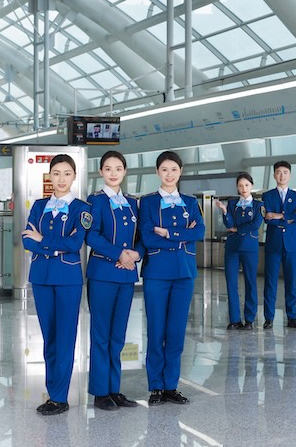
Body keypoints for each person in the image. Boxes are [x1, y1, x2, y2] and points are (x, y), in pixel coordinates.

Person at [21, 154, 92, 415]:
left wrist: (43, 240)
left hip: (67, 279)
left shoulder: (82, 209)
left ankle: (60, 397)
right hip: (41, 278)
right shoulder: (39, 205)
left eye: (67, 174)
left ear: (74, 176)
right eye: (56, 173)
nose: (61, 179)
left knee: (65, 337)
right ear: (49, 176)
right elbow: (26, 239)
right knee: (49, 336)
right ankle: (53, 393)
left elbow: (75, 243)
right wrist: (52, 245)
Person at [139, 151, 205, 405]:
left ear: (180, 172)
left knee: (176, 331)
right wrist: (182, 235)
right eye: (164, 170)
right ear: (157, 172)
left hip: (184, 273)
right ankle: (155, 386)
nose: (169, 174)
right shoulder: (148, 202)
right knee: (156, 330)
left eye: (174, 170)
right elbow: (147, 237)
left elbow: (199, 231)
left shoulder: (190, 202)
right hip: (156, 273)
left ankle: (171, 385)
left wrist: (168, 233)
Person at [85, 151, 143, 411]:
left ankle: (114, 389)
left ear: (125, 171)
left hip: (126, 274)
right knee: (101, 334)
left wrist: (136, 253)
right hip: (102, 273)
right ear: (101, 172)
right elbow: (92, 235)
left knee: (118, 335)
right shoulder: (95, 201)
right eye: (108, 168)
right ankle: (100, 392)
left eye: (118, 168)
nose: (113, 173)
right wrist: (119, 253)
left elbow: (141, 236)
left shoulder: (132, 202)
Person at [216, 172, 264, 330]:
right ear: (237, 187)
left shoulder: (258, 206)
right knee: (231, 283)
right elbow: (228, 224)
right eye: (241, 185)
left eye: (247, 185)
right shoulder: (231, 204)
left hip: (249, 248)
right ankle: (234, 319)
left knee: (250, 282)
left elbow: (256, 224)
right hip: (232, 248)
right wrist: (224, 211)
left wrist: (237, 229)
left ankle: (249, 319)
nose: (244, 188)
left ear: (252, 186)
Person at [262, 161, 296, 329]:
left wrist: (279, 216)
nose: (282, 175)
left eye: (285, 172)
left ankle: (292, 317)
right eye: (279, 172)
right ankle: (269, 317)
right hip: (273, 244)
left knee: (291, 282)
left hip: (291, 245)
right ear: (274, 175)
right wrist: (290, 216)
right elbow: (267, 218)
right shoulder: (267, 196)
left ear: (290, 175)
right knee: (270, 282)